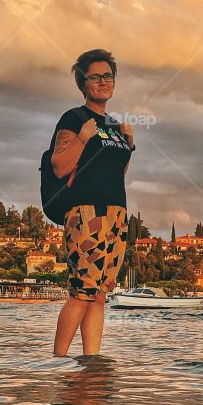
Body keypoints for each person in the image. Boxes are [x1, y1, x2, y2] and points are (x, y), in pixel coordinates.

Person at [50, 49, 135, 357]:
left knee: (99, 294)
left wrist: (130, 146)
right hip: (85, 212)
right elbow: (60, 166)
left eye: (108, 76)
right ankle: (58, 361)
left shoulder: (114, 125)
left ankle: (91, 361)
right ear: (83, 83)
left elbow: (116, 172)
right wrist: (84, 138)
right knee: (83, 291)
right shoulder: (74, 119)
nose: (103, 82)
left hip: (116, 213)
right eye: (96, 76)